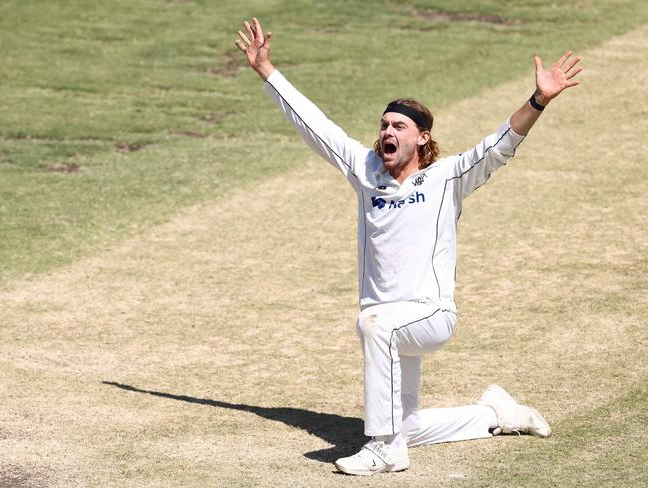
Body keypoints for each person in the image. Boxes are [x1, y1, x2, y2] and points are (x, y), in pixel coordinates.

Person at [234, 17, 581, 476]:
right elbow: (315, 125)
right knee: (408, 422)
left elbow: (500, 145)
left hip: (430, 313)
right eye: (383, 125)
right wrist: (266, 70)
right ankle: (496, 414)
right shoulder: (366, 171)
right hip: (390, 318)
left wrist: (538, 100)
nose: (387, 132)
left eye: (398, 125)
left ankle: (384, 451)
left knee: (374, 326)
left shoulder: (446, 177)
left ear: (422, 137)